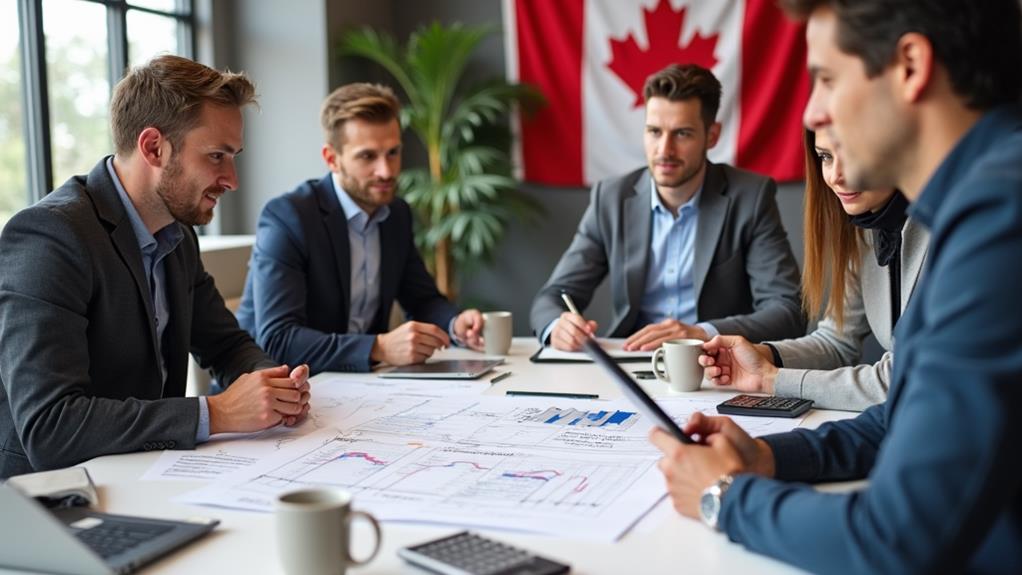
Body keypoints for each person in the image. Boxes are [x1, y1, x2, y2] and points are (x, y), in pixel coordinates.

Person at [649, 1, 1022, 572]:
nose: (815, 111)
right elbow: (901, 412)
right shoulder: (973, 199)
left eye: (825, 78)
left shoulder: (1000, 215)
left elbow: (897, 539)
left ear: (910, 66)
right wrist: (768, 456)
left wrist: (724, 497)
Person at [0, 55, 311, 479]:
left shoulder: (178, 234)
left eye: (233, 156)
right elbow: (51, 427)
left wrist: (272, 383)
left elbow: (224, 345)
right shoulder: (50, 237)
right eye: (217, 156)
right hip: (50, 500)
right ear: (153, 148)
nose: (232, 179)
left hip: (142, 475)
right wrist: (215, 412)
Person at [529, 64, 805, 353]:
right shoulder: (610, 199)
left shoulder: (750, 198)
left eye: (682, 134)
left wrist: (700, 333)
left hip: (715, 365)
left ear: (711, 136)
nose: (664, 150)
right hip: (632, 363)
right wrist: (557, 326)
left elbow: (788, 310)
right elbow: (551, 299)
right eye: (654, 131)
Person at [235, 83, 484, 374]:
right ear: (332, 159)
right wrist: (379, 347)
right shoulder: (289, 217)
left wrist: (456, 323)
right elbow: (279, 340)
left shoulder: (396, 214)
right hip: (277, 392)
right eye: (368, 157)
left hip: (359, 387)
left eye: (393, 153)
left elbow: (422, 298)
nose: (386, 171)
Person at [699, 129, 928, 411]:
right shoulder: (865, 229)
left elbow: (903, 381)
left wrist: (772, 380)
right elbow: (836, 342)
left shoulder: (946, 232)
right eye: (825, 157)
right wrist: (766, 355)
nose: (834, 176)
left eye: (852, 154)